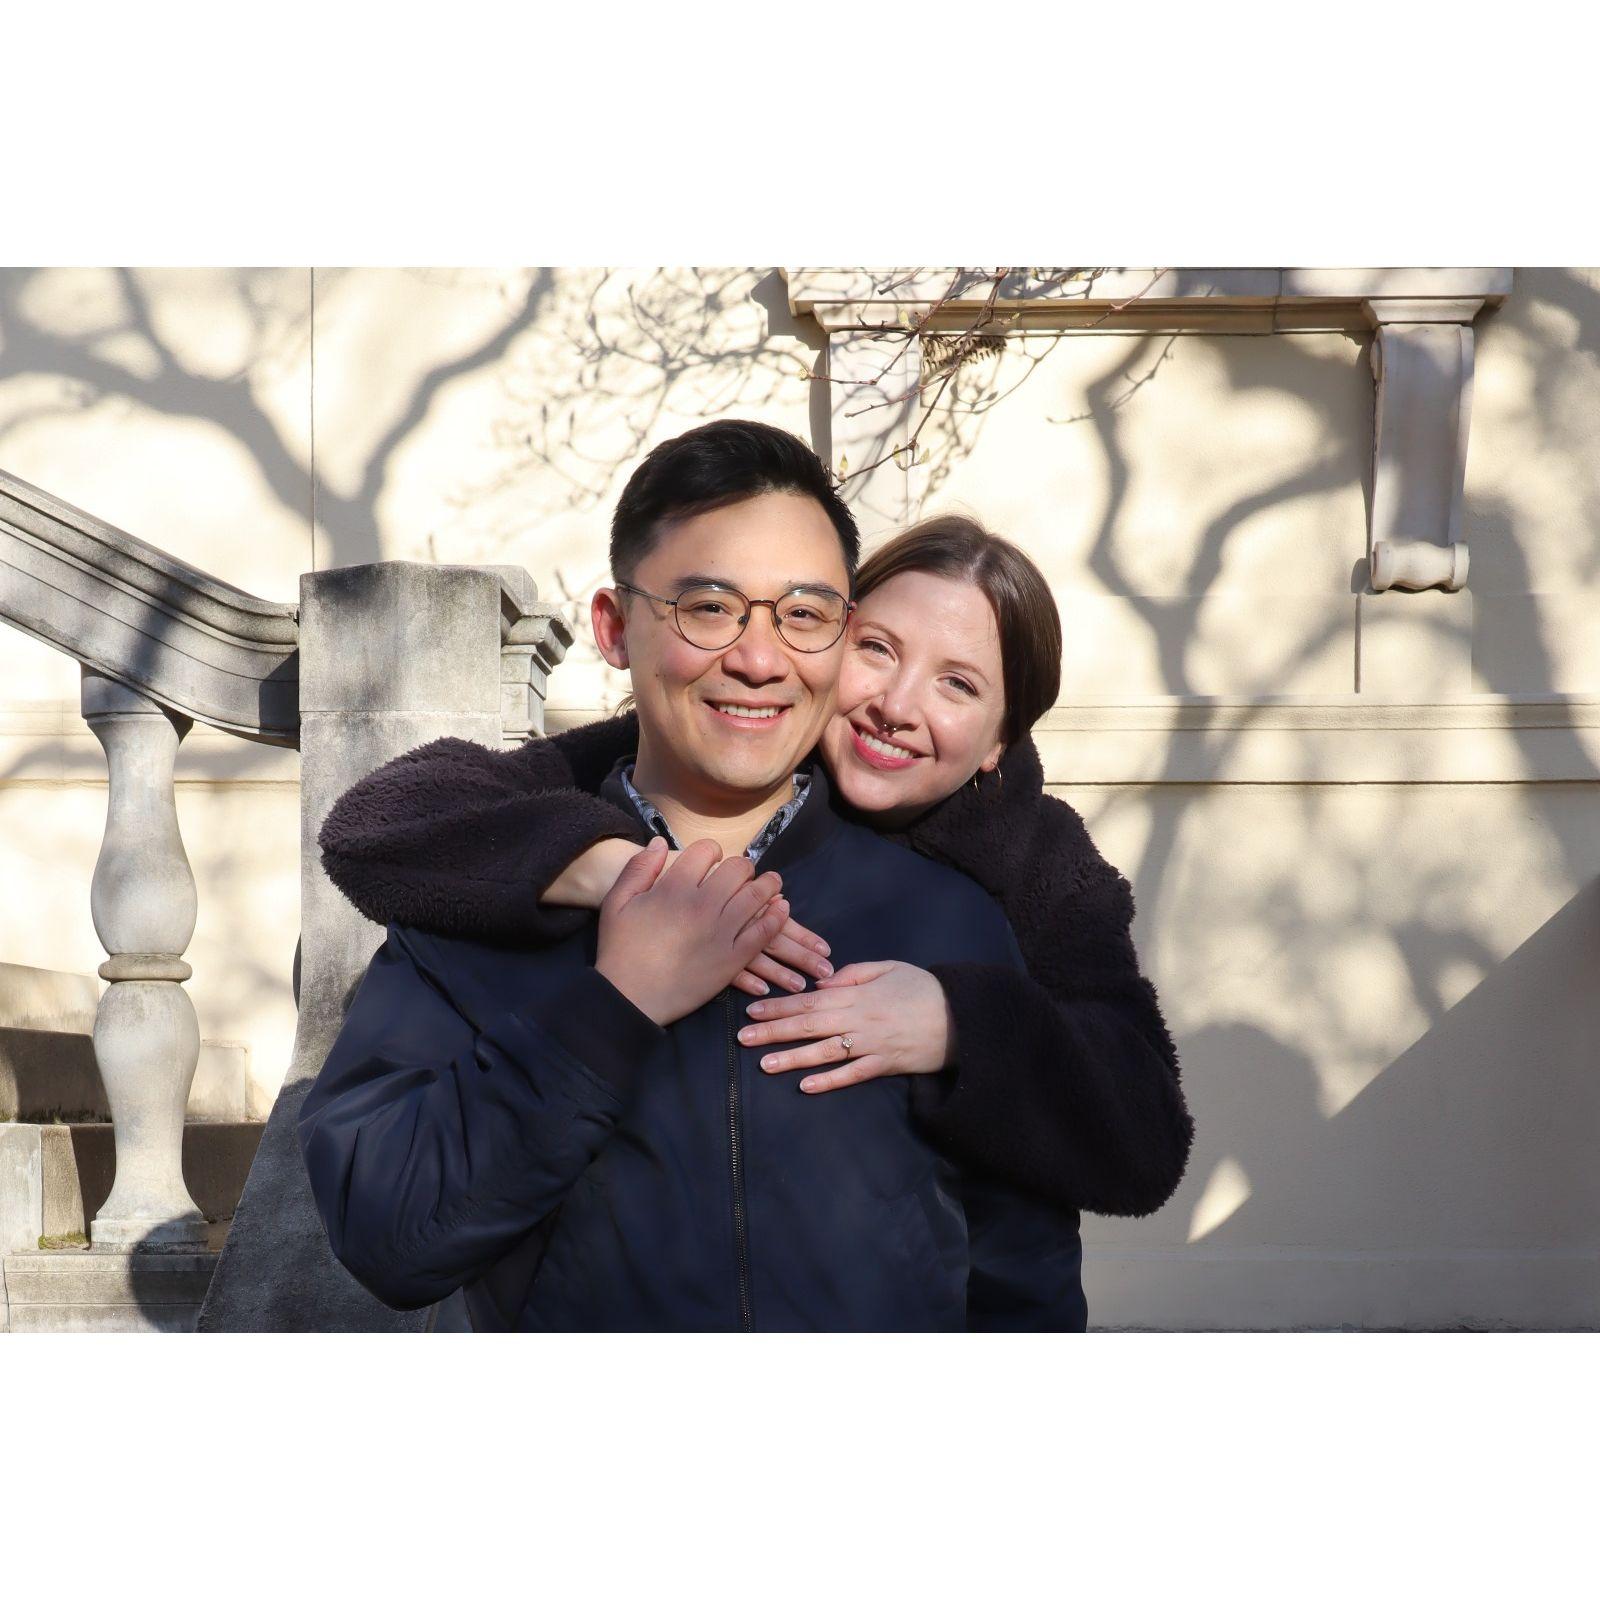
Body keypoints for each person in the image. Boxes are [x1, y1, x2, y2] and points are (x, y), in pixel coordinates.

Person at [299, 418, 1091, 1331]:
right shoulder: (485, 900)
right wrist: (612, 1007)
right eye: (709, 608)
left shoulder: (950, 918)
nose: (759, 660)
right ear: (615, 626)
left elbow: (1023, 1272)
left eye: (804, 614)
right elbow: (386, 1235)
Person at [320, 523, 1194, 1226]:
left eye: (958, 685)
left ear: (1004, 739)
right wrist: (626, 869)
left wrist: (960, 1024)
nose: (897, 704)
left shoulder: (1041, 863)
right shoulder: (691, 760)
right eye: (879, 649)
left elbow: (1143, 1138)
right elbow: (378, 824)